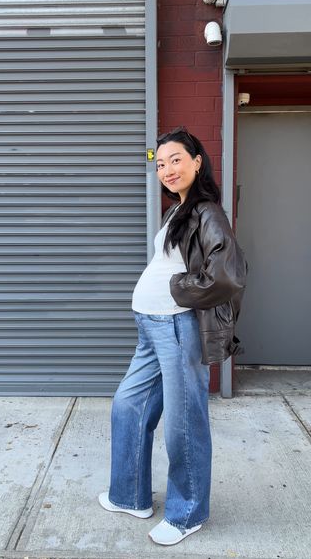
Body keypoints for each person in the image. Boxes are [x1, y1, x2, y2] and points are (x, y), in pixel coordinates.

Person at [99, 126, 247, 546]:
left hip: (177, 327)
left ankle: (187, 513)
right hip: (150, 326)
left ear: (197, 161)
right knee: (128, 406)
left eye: (176, 159)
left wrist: (178, 290)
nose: (167, 169)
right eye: (160, 163)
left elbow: (228, 275)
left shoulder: (207, 211)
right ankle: (130, 495)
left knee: (184, 424)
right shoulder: (177, 211)